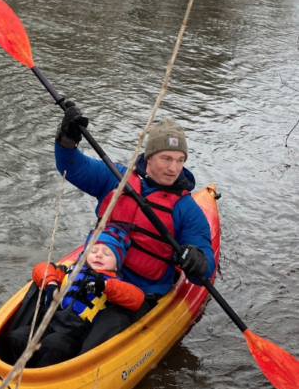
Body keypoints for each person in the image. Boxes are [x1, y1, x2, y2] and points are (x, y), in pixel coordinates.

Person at [54, 102, 216, 353]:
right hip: (94, 271)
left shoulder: (187, 209)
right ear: (149, 157)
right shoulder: (116, 178)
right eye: (166, 158)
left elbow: (202, 265)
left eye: (180, 160)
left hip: (139, 292)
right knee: (40, 301)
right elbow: (73, 167)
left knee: (95, 340)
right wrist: (67, 141)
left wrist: (198, 260)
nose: (174, 168)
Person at [0, 224, 145, 368]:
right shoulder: (71, 270)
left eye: (107, 254)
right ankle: (11, 372)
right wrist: (52, 283)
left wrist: (105, 286)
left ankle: (40, 380)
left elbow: (136, 299)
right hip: (49, 325)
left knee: (54, 346)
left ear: (116, 265)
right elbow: (40, 268)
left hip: (74, 336)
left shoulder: (114, 284)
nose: (99, 255)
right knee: (19, 336)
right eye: (93, 251)